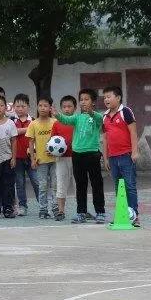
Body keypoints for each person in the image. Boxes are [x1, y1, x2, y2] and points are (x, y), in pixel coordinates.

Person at [54, 88, 105, 224]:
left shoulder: (97, 117)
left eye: (86, 99)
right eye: (81, 99)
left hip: (93, 154)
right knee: (80, 185)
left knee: (96, 184)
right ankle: (81, 212)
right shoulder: (77, 117)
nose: (83, 102)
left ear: (93, 102)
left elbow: (99, 120)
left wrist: (91, 113)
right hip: (77, 155)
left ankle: (100, 212)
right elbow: (65, 119)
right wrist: (57, 115)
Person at [102, 86, 140, 227]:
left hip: (126, 156)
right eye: (104, 97)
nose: (106, 99)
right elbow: (105, 139)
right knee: (119, 187)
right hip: (112, 158)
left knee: (130, 186)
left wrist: (135, 151)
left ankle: (134, 216)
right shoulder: (104, 116)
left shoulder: (126, 112)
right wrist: (105, 158)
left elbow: (133, 133)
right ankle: (122, 215)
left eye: (109, 96)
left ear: (118, 98)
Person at [26, 96, 57, 219]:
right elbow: (31, 143)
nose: (43, 108)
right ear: (37, 107)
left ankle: (56, 208)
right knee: (42, 186)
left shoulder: (55, 122)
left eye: (45, 106)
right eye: (40, 106)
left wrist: (56, 152)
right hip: (41, 161)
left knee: (55, 185)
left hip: (55, 160)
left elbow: (59, 140)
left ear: (50, 108)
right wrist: (33, 159)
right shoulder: (33, 124)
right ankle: (43, 209)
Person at [11, 93, 39, 215]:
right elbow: (11, 133)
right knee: (20, 183)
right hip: (16, 158)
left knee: (36, 181)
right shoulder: (11, 121)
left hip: (31, 157)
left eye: (23, 106)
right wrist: (25, 130)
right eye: (17, 106)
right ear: (14, 107)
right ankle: (23, 206)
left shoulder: (33, 121)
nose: (20, 109)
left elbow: (38, 136)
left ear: (28, 107)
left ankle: (43, 204)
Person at [52, 95, 77, 221]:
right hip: (61, 159)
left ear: (75, 108)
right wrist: (51, 150)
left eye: (69, 106)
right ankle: (61, 211)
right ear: (61, 108)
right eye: (64, 107)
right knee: (61, 184)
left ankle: (81, 210)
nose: (67, 109)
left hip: (77, 158)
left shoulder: (78, 121)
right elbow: (52, 141)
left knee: (79, 185)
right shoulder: (56, 124)